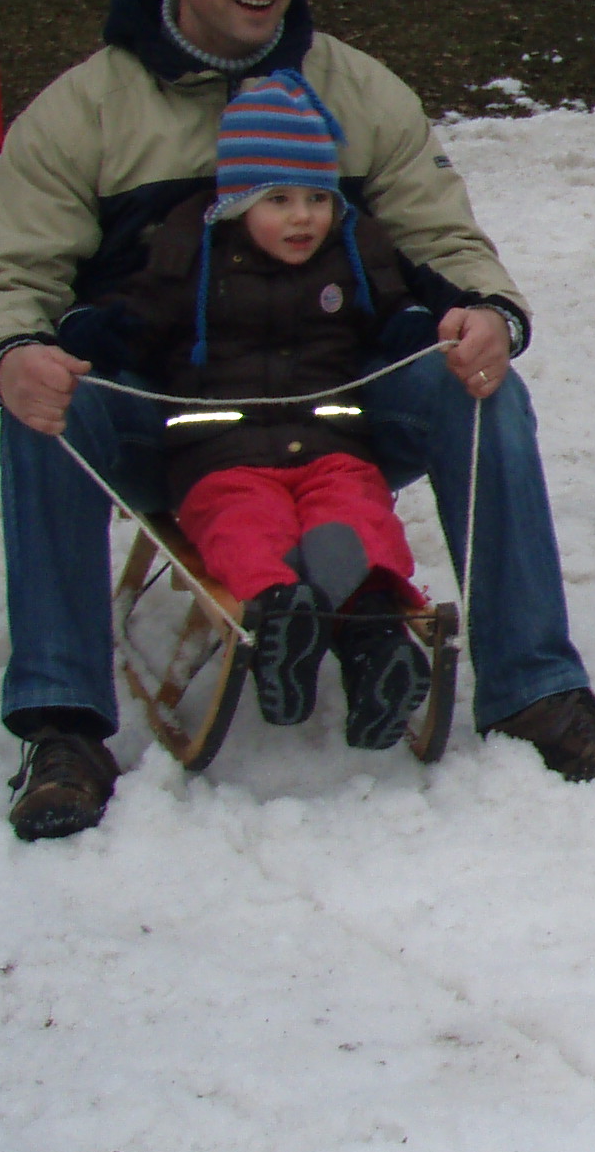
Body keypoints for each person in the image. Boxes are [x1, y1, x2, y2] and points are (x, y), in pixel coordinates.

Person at [0, 0, 595, 843]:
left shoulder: (354, 91)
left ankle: (537, 692)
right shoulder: (90, 109)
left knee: (481, 391)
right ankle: (62, 725)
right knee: (45, 409)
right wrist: (11, 355)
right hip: (171, 420)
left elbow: (441, 236)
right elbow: (7, 275)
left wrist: (486, 313)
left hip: (337, 407)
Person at [51, 69, 442, 751]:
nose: (303, 217)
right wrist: (93, 330)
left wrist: (423, 326)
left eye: (317, 198)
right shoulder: (191, 251)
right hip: (220, 454)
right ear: (236, 202)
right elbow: (140, 316)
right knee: (243, 526)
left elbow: (394, 307)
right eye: (278, 200)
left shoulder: (354, 248)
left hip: (331, 444)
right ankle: (282, 617)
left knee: (356, 519)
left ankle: (374, 637)